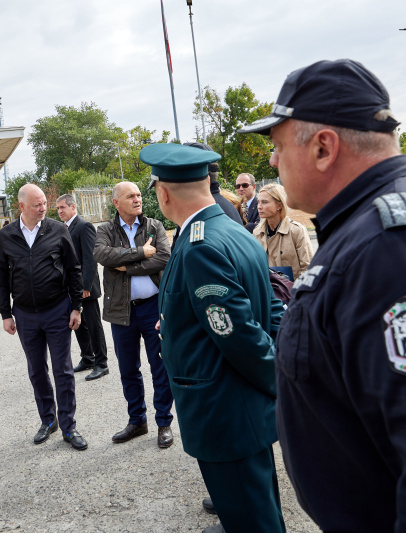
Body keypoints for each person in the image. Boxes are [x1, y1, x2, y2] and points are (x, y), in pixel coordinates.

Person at [239, 58, 406, 531]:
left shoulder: (393, 247)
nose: (272, 161)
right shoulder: (378, 225)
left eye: (277, 146)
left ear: (323, 147)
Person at [145, 143, 286, 533]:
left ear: (163, 192)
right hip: (241, 410)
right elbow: (265, 309)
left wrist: (279, 385)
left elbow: (237, 333)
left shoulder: (199, 246)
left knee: (252, 521)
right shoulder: (232, 231)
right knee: (258, 508)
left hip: (226, 412)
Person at [0, 184, 88, 451]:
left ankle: (69, 426)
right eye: (37, 204)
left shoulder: (58, 230)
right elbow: (0, 278)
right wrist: (5, 313)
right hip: (25, 315)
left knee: (63, 370)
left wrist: (76, 307)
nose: (43, 208)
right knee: (37, 371)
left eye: (45, 203)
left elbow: (74, 269)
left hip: (58, 310)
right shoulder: (7, 235)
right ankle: (48, 421)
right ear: (21, 206)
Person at [93, 181, 175, 449]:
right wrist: (141, 252)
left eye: (139, 194)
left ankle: (164, 422)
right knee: (129, 370)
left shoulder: (154, 226)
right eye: (131, 196)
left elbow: (163, 257)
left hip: (153, 307)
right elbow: (102, 254)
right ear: (116, 202)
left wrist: (127, 267)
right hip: (121, 311)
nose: (138, 199)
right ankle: (137, 421)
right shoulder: (105, 229)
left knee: (159, 367)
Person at [56, 194, 109, 381]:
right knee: (79, 325)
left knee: (93, 325)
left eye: (63, 207)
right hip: (71, 288)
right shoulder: (64, 228)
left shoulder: (84, 226)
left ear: (73, 207)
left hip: (85, 287)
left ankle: (101, 363)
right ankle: (88, 358)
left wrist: (85, 286)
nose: (60, 211)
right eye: (58, 208)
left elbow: (90, 258)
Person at [252, 183, 314, 281]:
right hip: (269, 292)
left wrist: (297, 292)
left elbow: (308, 268)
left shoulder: (297, 231)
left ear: (279, 205)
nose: (259, 207)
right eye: (258, 202)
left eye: (264, 202)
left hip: (293, 292)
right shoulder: (257, 233)